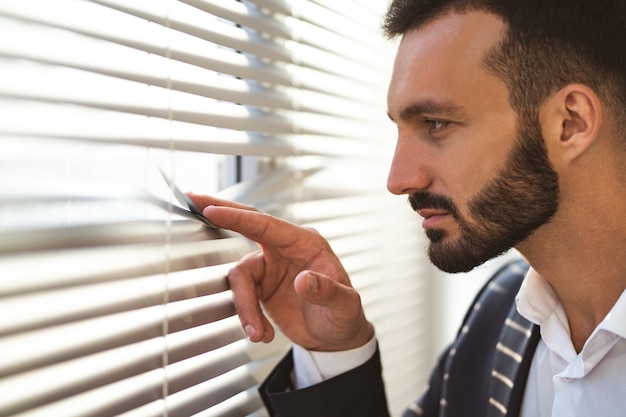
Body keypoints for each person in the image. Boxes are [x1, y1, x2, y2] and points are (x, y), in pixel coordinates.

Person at [190, 0, 626, 415]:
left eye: (436, 124)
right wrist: (334, 351)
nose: (399, 180)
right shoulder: (496, 318)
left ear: (571, 123)